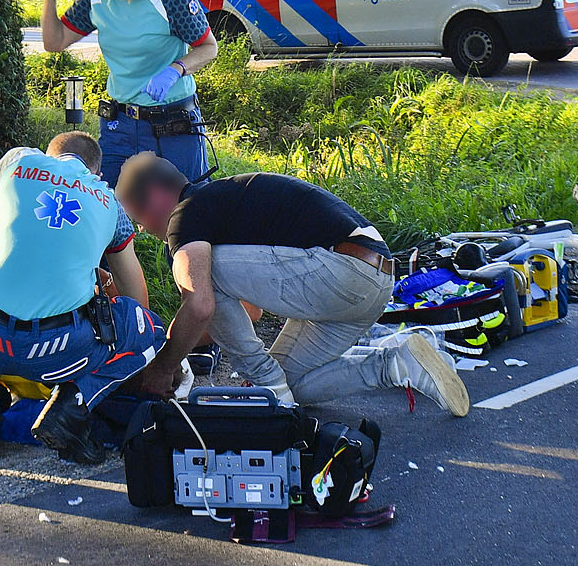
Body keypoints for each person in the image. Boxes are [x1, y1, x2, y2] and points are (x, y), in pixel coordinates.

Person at [116, 154, 470, 416]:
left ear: (159, 196)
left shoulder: (186, 214)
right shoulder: (221, 207)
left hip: (342, 270)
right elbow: (247, 314)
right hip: (372, 280)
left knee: (202, 282)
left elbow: (201, 304)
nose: (145, 229)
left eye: (139, 217)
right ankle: (397, 363)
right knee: (293, 383)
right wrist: (175, 346)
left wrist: (163, 366)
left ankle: (266, 385)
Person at [0, 132, 161, 464]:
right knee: (149, 330)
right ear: (95, 174)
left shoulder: (17, 161)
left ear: (49, 156)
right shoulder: (108, 201)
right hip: (64, 353)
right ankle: (72, 406)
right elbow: (136, 298)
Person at [41, 0, 219, 190]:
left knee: (188, 207)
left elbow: (208, 47)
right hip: (120, 124)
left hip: (173, 123)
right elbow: (55, 42)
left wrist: (175, 70)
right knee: (105, 204)